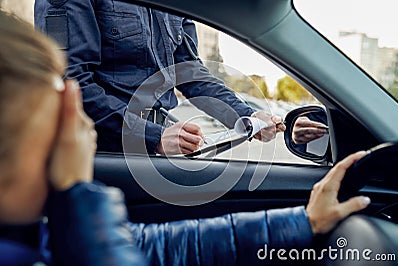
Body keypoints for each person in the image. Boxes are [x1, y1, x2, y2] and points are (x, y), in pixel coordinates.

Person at [0, 10, 371, 266]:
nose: (71, 130)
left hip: (158, 144)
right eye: (54, 118)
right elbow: (73, 75)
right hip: (120, 146)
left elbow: (153, 248)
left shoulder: (50, 235)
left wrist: (248, 117)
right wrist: (83, 185)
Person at [34, 0, 286, 155]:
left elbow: (190, 73)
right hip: (102, 154)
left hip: (159, 148)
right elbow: (70, 82)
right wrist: (151, 137)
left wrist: (247, 117)